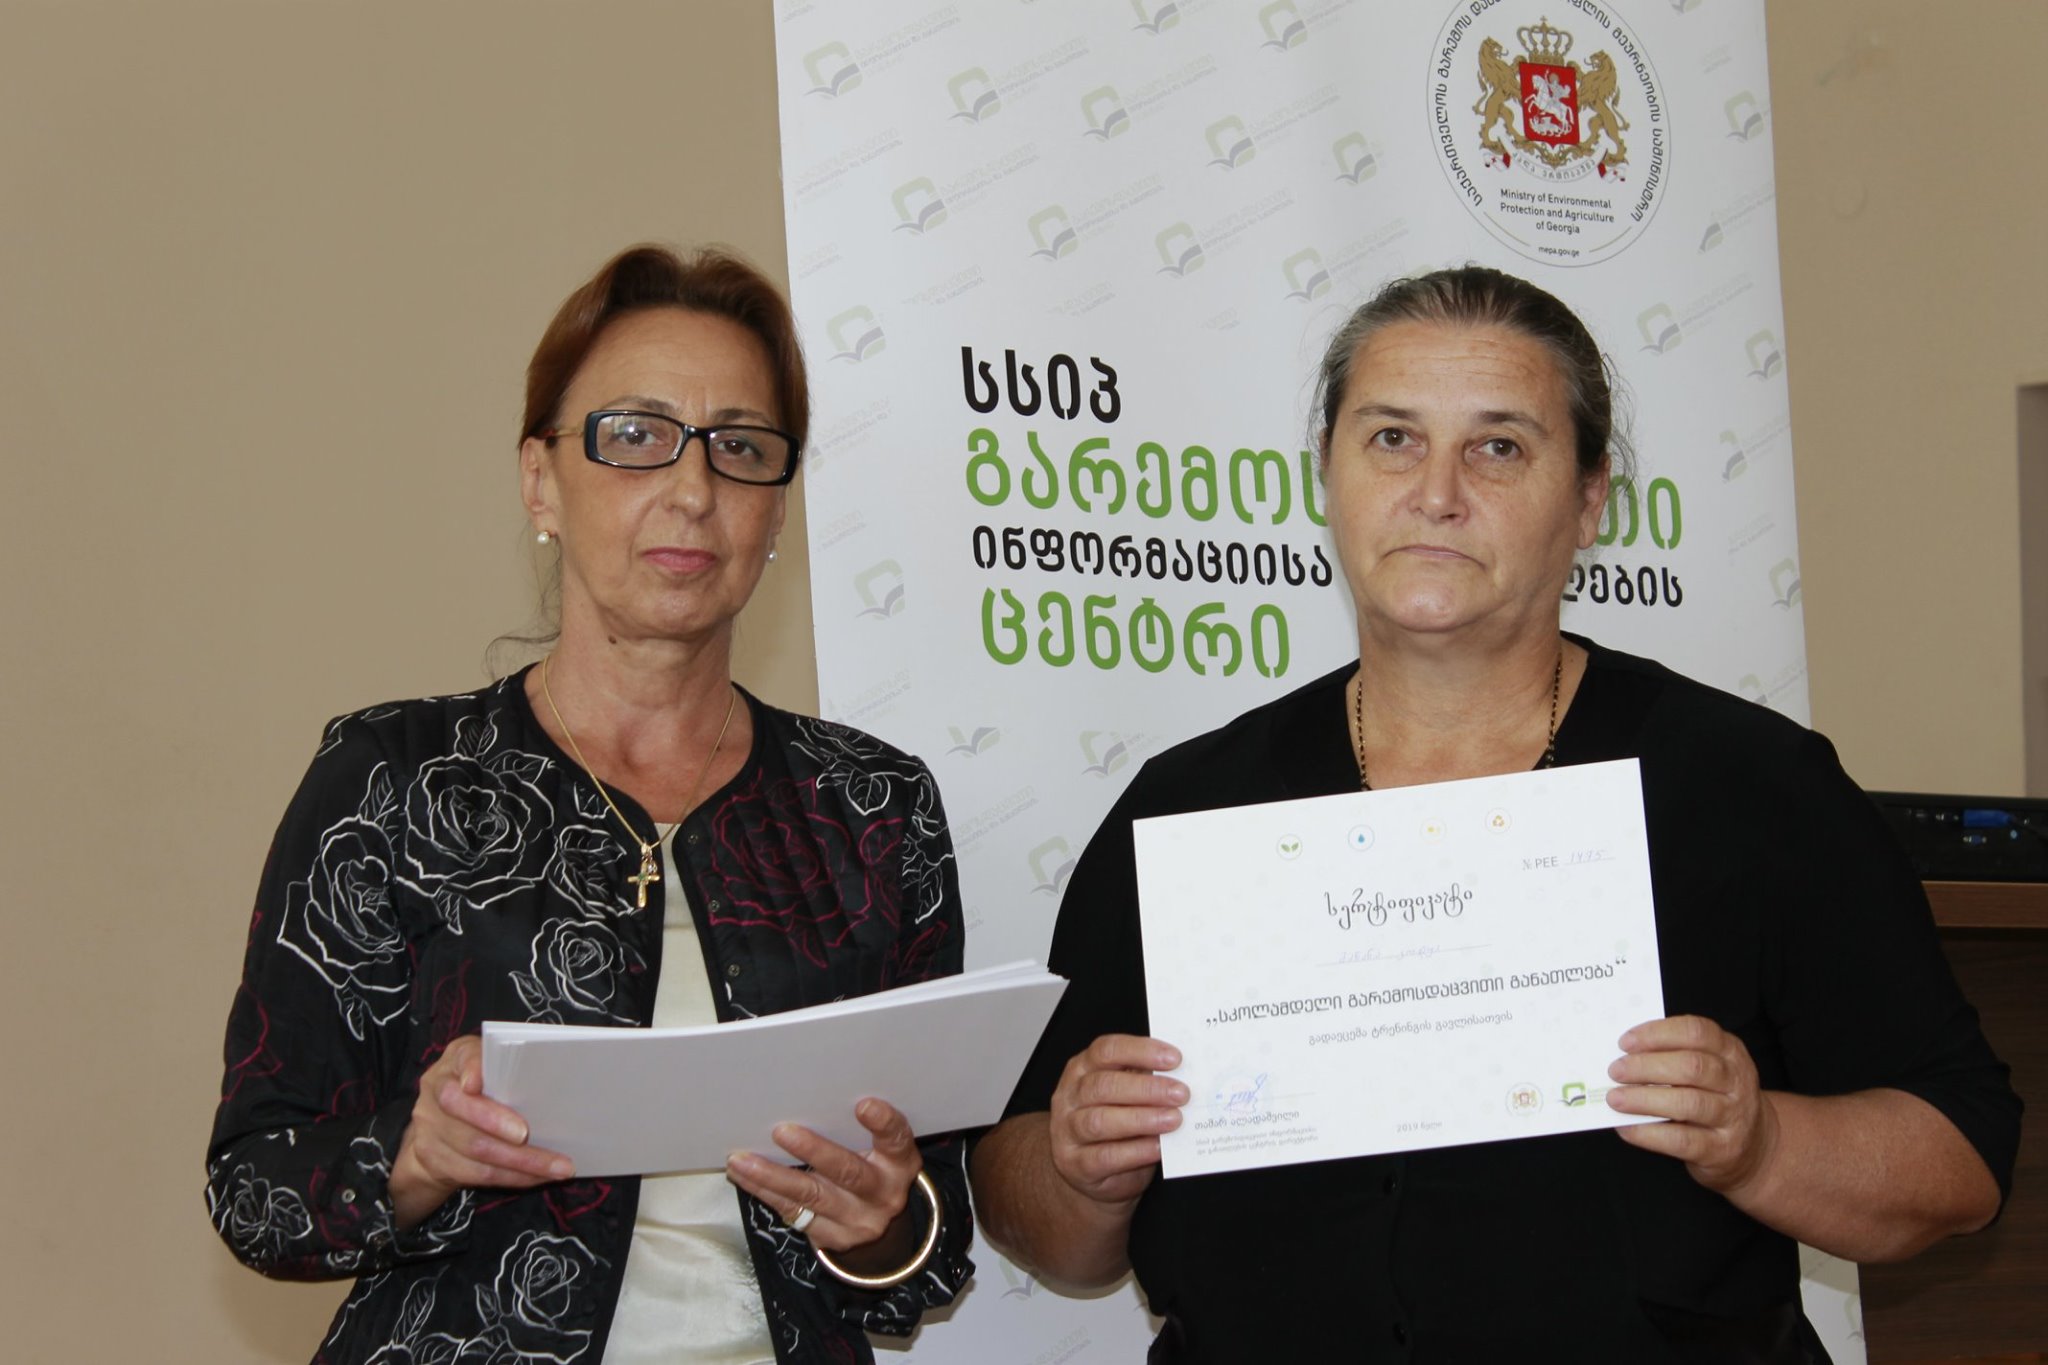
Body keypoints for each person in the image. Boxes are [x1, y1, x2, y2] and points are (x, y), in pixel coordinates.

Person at [969, 265, 2020, 1362]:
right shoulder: (1190, 810)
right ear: (1325, 472)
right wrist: (1079, 1171)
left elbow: (1960, 1163)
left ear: (1589, 501)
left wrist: (1759, 1144)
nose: (1436, 492)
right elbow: (1032, 1212)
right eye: (1391, 438)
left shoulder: (1750, 786)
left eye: (1499, 447)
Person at [206, 244, 973, 1365]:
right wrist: (413, 1157)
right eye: (635, 435)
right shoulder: (391, 777)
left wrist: (881, 1224)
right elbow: (253, 1188)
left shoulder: (870, 807)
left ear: (776, 512)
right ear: (539, 479)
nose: (693, 490)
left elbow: (931, 1238)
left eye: (741, 448)